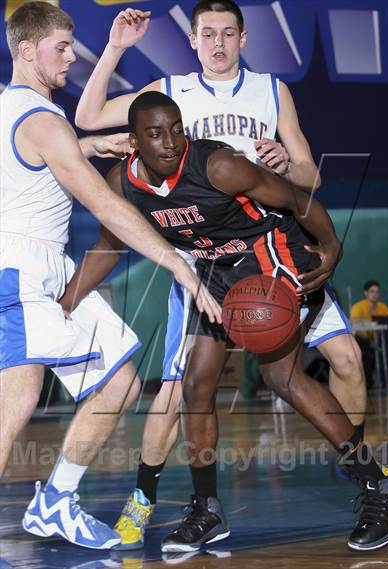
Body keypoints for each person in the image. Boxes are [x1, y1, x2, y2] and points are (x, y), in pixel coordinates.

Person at [74, 0, 388, 549]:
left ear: (243, 37)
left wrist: (319, 225)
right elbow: (89, 123)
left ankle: (375, 483)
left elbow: (303, 183)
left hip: (271, 245)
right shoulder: (168, 93)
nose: (216, 42)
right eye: (206, 33)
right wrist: (114, 48)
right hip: (206, 259)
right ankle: (201, 506)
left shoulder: (265, 98)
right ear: (192, 40)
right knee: (189, 386)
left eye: (226, 33)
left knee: (299, 372)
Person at [0, 1, 220, 551]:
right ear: (26, 50)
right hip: (21, 271)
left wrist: (92, 145)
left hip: (42, 269)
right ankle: (55, 503)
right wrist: (173, 261)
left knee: (114, 376)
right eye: (61, 47)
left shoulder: (18, 111)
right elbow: (102, 203)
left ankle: (55, 503)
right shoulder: (41, 119)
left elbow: (42, 159)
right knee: (17, 405)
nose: (71, 56)